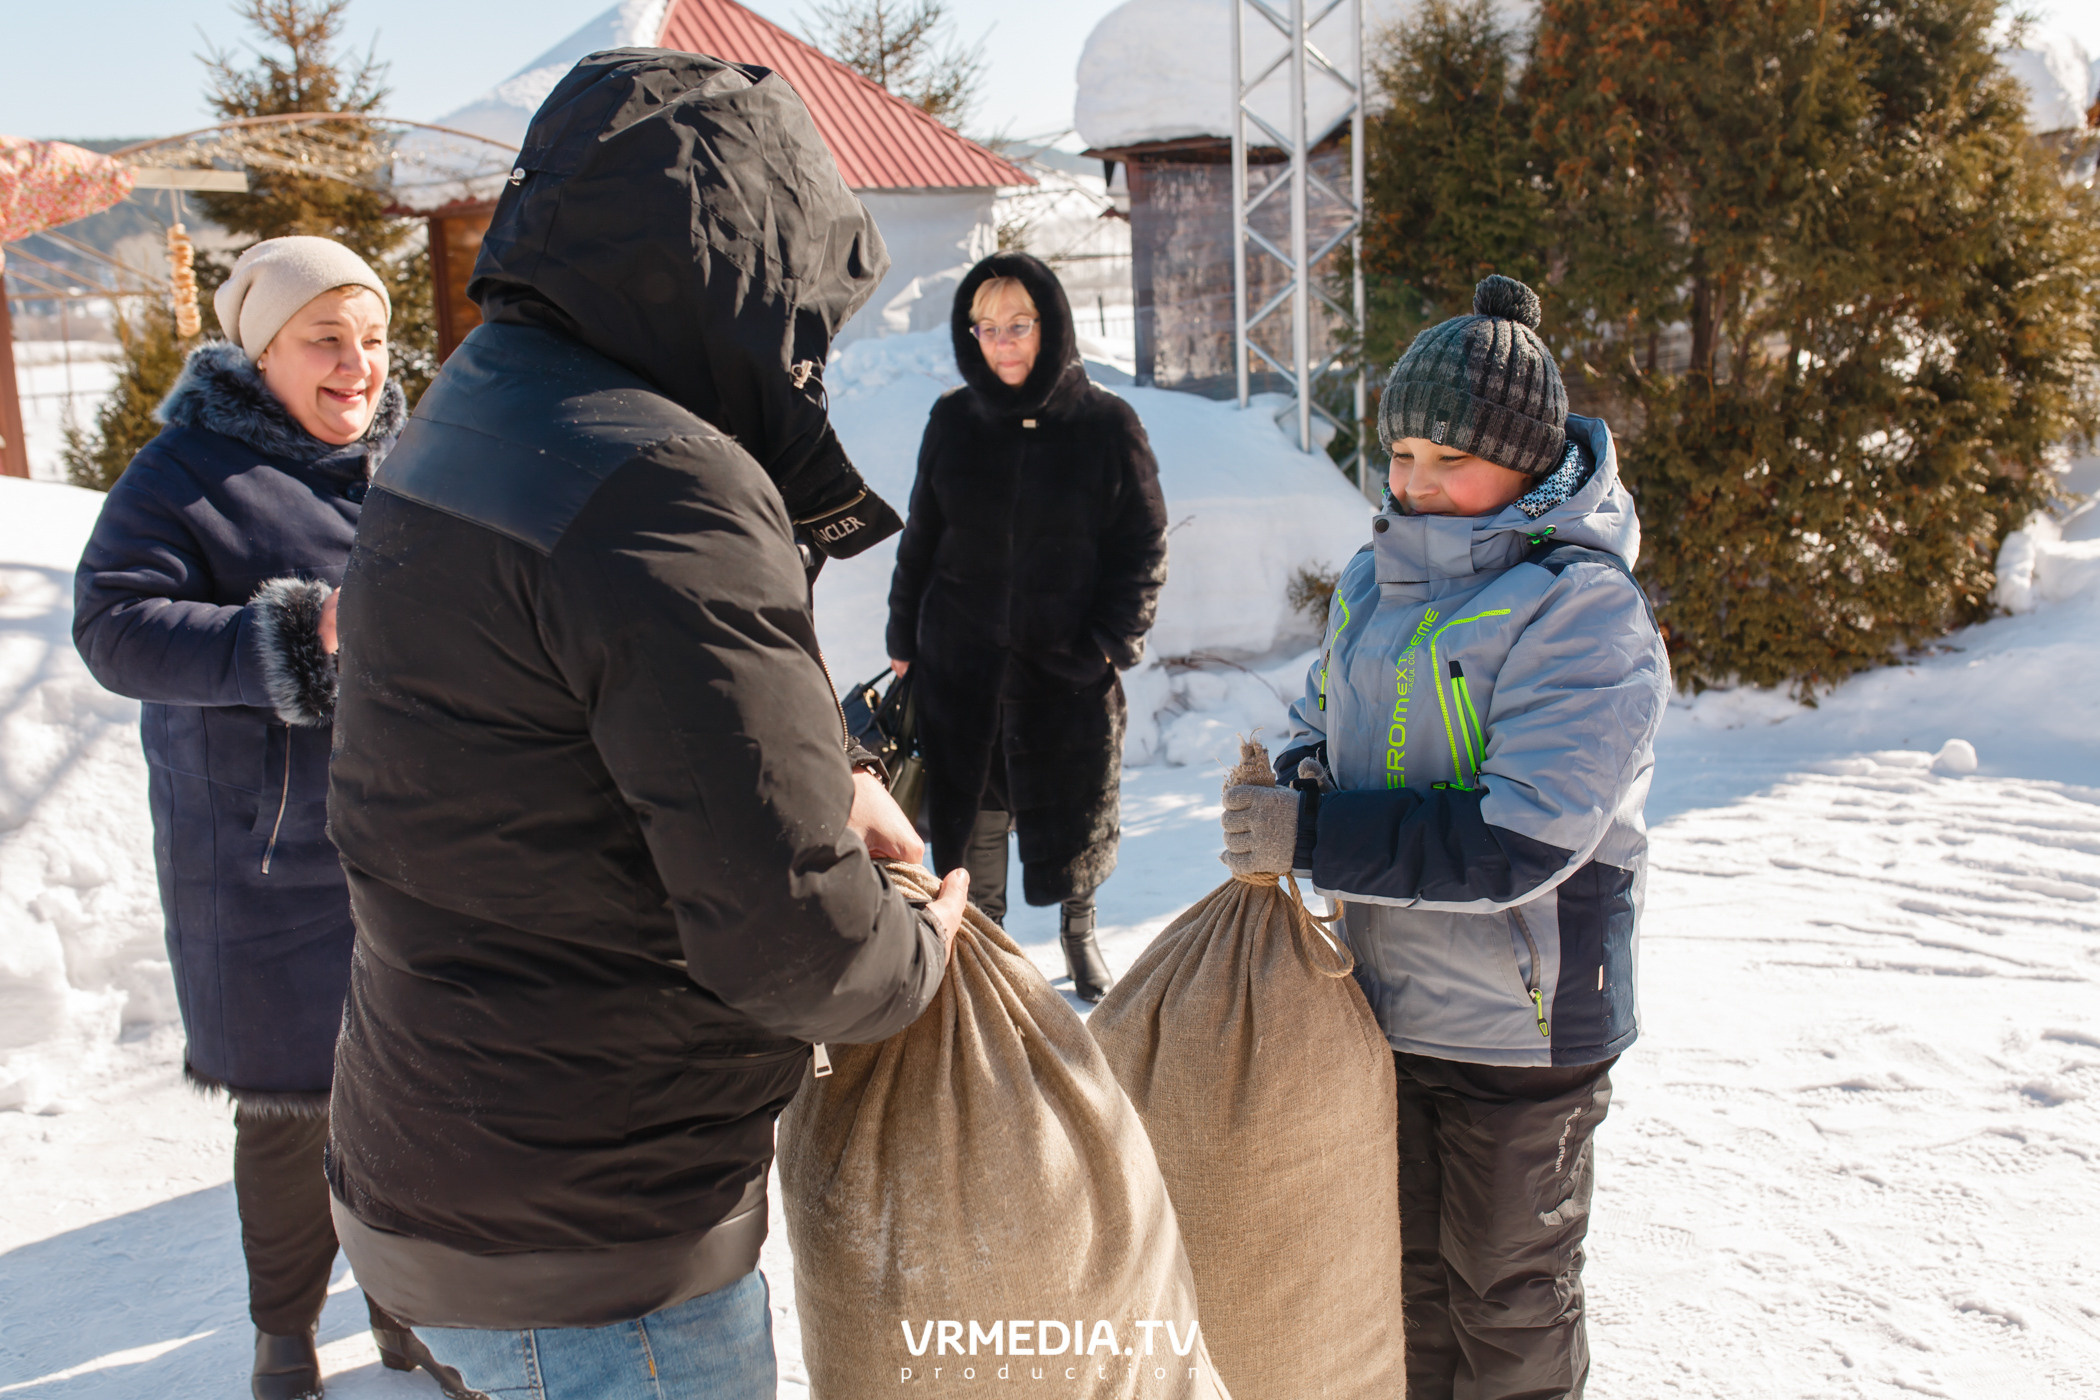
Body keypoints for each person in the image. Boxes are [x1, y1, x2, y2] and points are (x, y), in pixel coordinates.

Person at [322, 49, 966, 1400]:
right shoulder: (663, 479)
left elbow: (581, 719)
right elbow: (794, 937)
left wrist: (831, 769)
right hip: (600, 1248)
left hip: (437, 1155)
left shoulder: (477, 411)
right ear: (740, 255)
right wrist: (915, 941)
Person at [1219, 275, 1670, 1399]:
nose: (1413, 482)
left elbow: (1521, 836)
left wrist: (1313, 833)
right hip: (1387, 1007)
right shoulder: (1376, 578)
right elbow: (1323, 714)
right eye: (1401, 454)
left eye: (1446, 460)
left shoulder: (1582, 608)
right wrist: (1299, 775)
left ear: (1530, 462)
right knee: (1404, 1284)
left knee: (1507, 1294)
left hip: (1526, 1028)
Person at [72, 237, 465, 1400]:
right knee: (295, 1104)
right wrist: (303, 635)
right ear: (261, 348)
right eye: (324, 340)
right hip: (262, 851)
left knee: (414, 1087)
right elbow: (114, 628)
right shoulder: (185, 470)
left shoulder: (410, 459)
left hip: (408, 840)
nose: (358, 365)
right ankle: (283, 1332)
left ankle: (407, 1311)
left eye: (374, 338)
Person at [885, 252, 1169, 1001]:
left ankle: (1080, 936)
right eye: (987, 328)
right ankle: (986, 956)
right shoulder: (952, 420)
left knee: (1073, 824)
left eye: (1019, 325)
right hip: (961, 671)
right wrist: (903, 641)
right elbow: (921, 536)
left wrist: (1107, 643)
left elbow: (1143, 546)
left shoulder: (1107, 425)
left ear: (1051, 324)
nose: (1003, 344)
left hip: (1065, 678)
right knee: (972, 825)